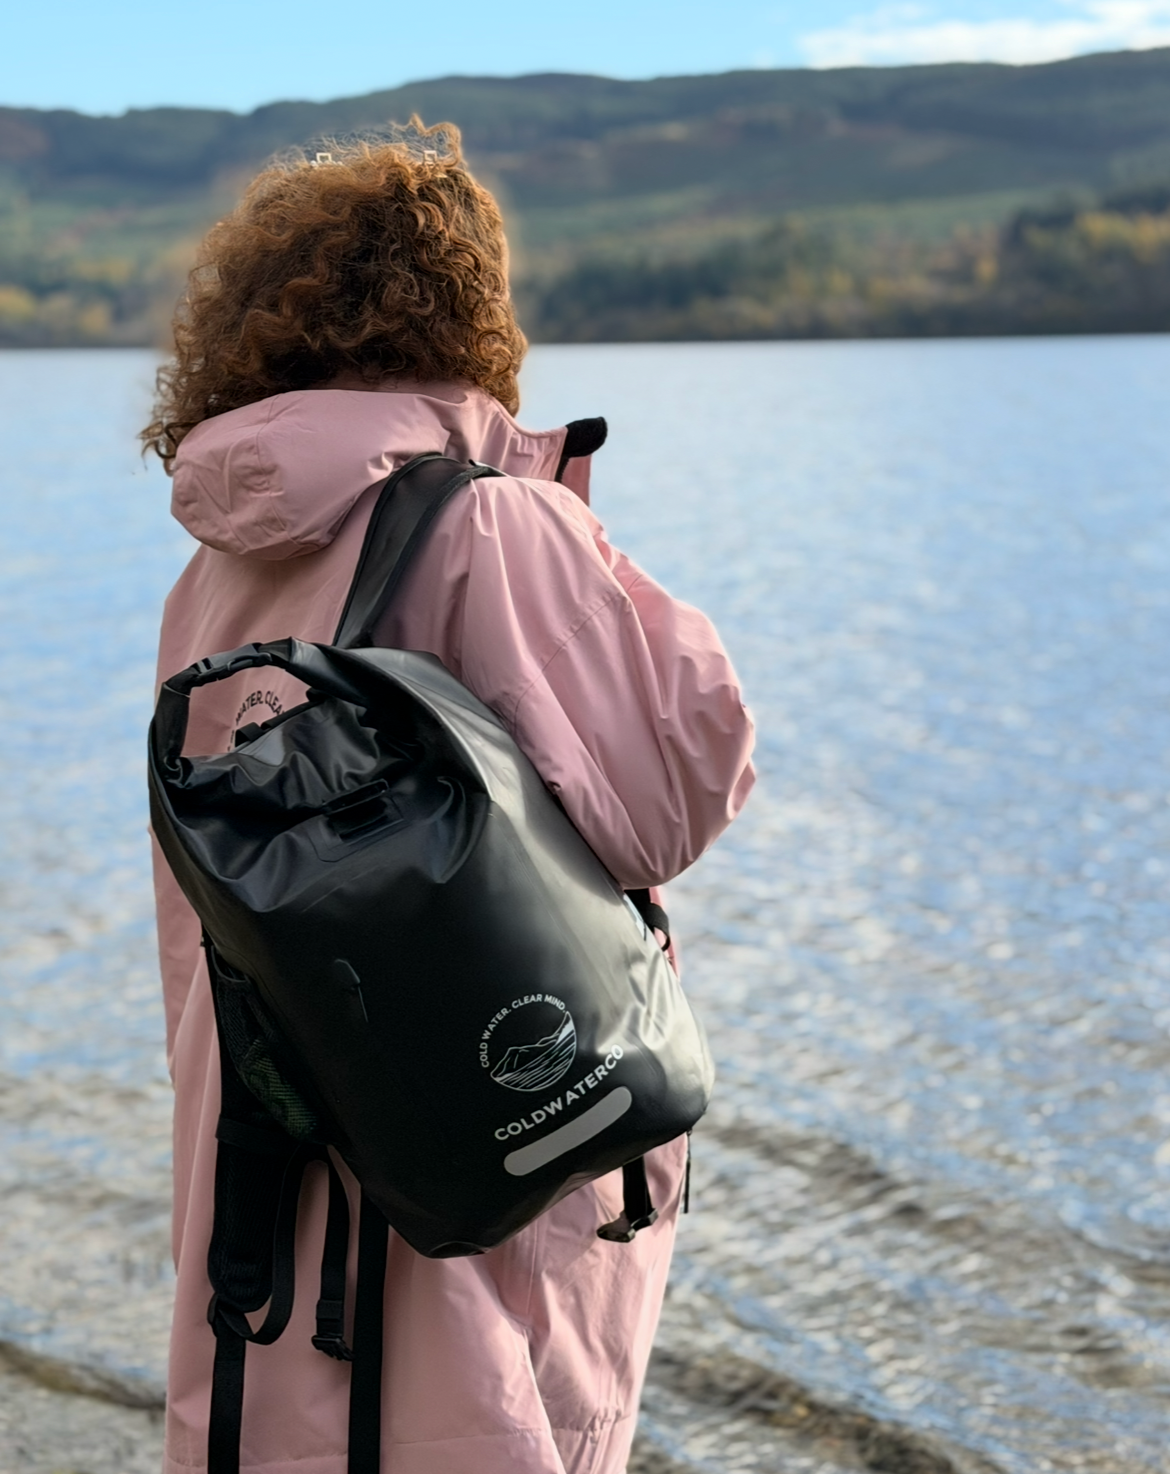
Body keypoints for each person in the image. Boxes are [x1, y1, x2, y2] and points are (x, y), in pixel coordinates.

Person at [143, 120, 755, 1474]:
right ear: (468, 305)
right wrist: (586, 547)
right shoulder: (486, 522)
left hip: (270, 1115)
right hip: (485, 1126)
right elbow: (675, 794)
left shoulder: (217, 564)